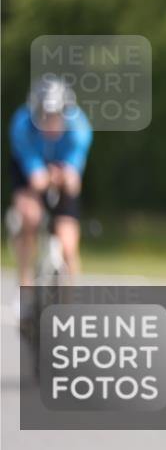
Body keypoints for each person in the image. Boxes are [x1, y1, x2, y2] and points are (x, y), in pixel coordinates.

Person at [9, 76, 93, 304]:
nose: (50, 123)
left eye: (55, 118)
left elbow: (74, 177)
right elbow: (33, 174)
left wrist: (66, 175)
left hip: (61, 170)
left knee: (68, 243)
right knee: (30, 218)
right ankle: (24, 287)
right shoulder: (21, 124)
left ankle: (70, 300)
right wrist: (39, 176)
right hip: (29, 170)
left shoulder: (80, 128)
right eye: (44, 117)